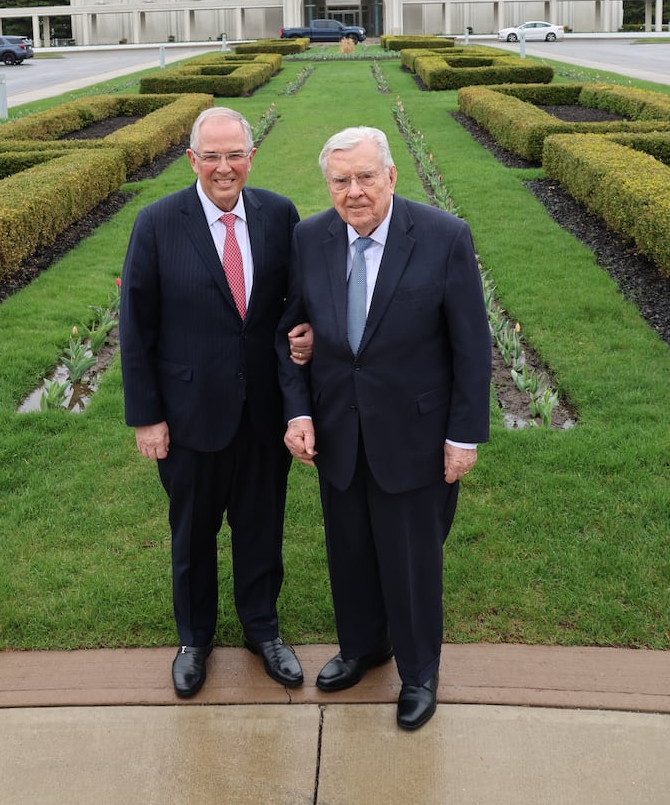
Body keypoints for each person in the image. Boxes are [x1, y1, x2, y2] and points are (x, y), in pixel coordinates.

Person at [278, 126, 491, 730]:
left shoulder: (444, 236)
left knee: (411, 564)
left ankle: (419, 672)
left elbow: (471, 346)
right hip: (339, 434)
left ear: (391, 176)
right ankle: (363, 647)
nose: (354, 192)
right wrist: (298, 411)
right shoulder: (309, 237)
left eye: (366, 177)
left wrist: (463, 437)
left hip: (414, 438)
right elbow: (288, 333)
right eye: (341, 180)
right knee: (349, 552)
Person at [120, 106, 311, 698]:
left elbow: (295, 302)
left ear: (251, 156)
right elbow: (136, 327)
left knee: (261, 530)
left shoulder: (279, 214)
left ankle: (262, 630)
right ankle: (194, 640)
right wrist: (147, 417)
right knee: (192, 536)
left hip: (262, 415)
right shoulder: (157, 223)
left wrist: (307, 334)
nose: (223, 167)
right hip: (188, 417)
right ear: (192, 160)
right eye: (211, 156)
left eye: (234, 155)